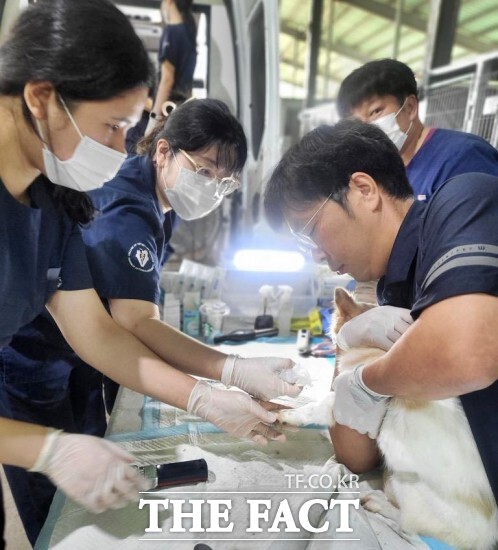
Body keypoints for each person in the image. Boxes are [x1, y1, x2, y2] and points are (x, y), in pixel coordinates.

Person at [0, 1, 299, 545]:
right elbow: (134, 321)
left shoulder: (56, 201)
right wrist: (44, 449)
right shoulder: (116, 205)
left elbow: (95, 331)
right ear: (42, 97)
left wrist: (209, 394)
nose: (121, 149)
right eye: (113, 126)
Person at [264, 119, 498, 546]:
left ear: (364, 189)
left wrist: (367, 380)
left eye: (311, 231)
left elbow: (470, 354)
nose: (317, 255)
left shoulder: (466, 201)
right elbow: (355, 454)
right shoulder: (395, 287)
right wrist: (347, 341)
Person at [336, 58, 498, 200]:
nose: (366, 127)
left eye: (375, 111)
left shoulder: (463, 157)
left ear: (410, 107)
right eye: (356, 122)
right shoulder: (379, 173)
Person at [146, 0, 197, 136]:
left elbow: (167, 80)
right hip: (181, 109)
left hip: (167, 111)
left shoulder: (172, 32)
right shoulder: (189, 31)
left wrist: (154, 119)